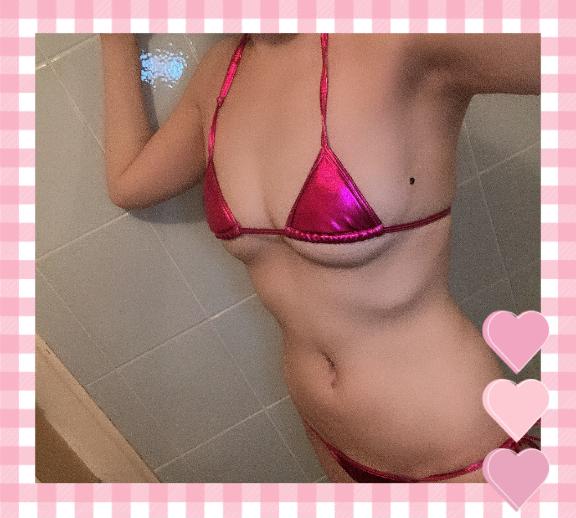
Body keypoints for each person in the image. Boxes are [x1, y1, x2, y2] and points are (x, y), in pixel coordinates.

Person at [100, 32, 540, 482]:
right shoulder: (221, 70)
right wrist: (116, 39)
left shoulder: (397, 40)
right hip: (329, 438)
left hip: (454, 449)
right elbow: (129, 183)